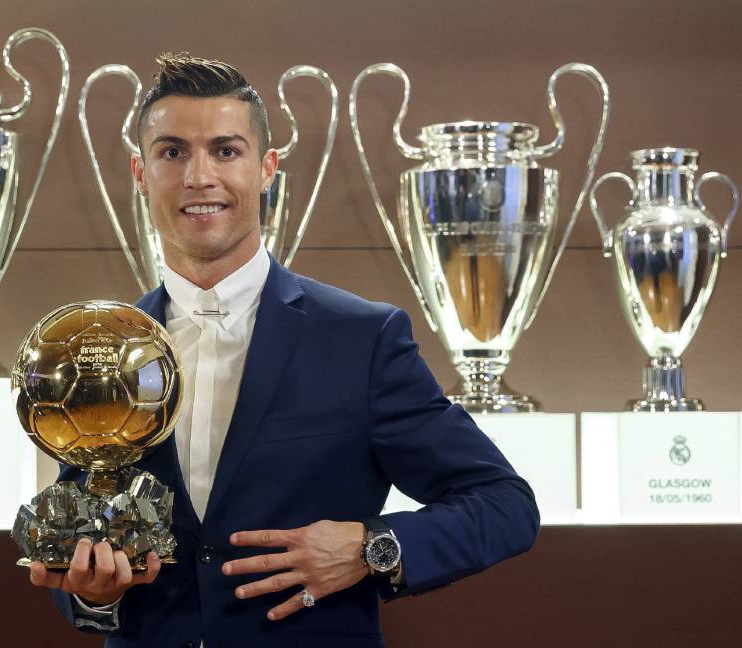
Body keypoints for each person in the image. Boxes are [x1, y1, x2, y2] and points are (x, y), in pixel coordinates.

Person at [27, 52, 540, 647]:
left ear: (267, 168)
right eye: (173, 152)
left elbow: (506, 505)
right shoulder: (100, 351)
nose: (199, 176)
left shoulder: (362, 339)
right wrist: (95, 594)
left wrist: (371, 548)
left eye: (226, 150)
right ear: (141, 174)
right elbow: (84, 546)